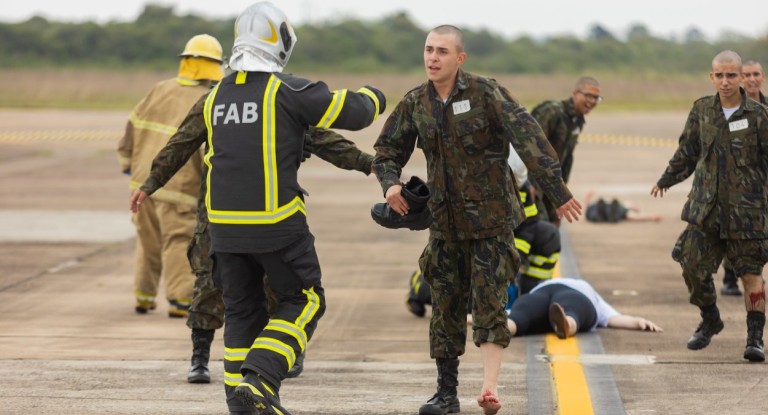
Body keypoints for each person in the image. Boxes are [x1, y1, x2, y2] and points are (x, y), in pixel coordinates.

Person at [131, 2, 386, 413]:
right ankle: (262, 377)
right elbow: (355, 113)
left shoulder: (215, 98)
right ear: (280, 43)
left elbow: (180, 143)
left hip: (223, 230)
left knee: (242, 313)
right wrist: (377, 96)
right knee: (305, 301)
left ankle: (242, 405)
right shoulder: (284, 92)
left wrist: (149, 184)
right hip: (276, 226)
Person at [373, 24, 581, 415]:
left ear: (460, 58)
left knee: (489, 307)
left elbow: (529, 138)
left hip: (491, 223)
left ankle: (488, 390)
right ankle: (446, 394)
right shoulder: (416, 102)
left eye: (442, 52)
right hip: (445, 225)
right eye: (428, 50)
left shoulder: (487, 93)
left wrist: (557, 189)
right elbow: (386, 150)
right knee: (446, 310)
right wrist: (390, 185)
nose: (433, 58)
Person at [137, 126, 375, 391]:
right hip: (219, 214)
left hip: (268, 213)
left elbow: (322, 138)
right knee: (209, 283)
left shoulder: (281, 98)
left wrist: (367, 163)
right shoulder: (216, 101)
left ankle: (280, 355)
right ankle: (201, 355)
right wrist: (151, 183)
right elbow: (182, 142)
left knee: (277, 286)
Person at [651, 50, 768, 362]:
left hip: (748, 213)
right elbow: (687, 151)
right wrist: (666, 179)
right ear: (712, 77)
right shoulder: (702, 110)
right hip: (706, 210)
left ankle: (755, 338)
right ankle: (710, 317)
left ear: (742, 77)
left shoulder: (758, 117)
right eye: (720, 75)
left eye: (732, 75)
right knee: (691, 265)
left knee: (750, 274)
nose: (726, 81)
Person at [117, 34, 224, 318]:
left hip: (142, 184)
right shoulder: (209, 98)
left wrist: (127, 162)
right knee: (178, 240)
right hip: (179, 186)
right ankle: (179, 299)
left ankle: (143, 295)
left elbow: (132, 128)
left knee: (147, 239)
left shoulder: (159, 89)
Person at [468, 277, 662, 338]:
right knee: (573, 312)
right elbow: (612, 319)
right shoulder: (591, 293)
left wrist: (467, 319)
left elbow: (498, 313)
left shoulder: (547, 284)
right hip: (576, 295)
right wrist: (638, 322)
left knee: (517, 316)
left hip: (540, 293)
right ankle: (567, 324)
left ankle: (503, 329)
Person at [721, 59, 767, 296]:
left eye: (756, 74)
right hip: (736, 182)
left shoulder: (766, 108)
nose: (751, 79)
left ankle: (755, 275)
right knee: (736, 231)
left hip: (762, 180)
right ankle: (730, 276)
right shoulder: (733, 107)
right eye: (746, 75)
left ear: (763, 77)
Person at [530, 76, 602, 227]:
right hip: (533, 183)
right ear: (575, 93)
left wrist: (561, 194)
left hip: (552, 185)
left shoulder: (577, 120)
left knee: (553, 225)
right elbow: (529, 148)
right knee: (535, 228)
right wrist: (530, 186)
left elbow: (567, 158)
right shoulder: (552, 111)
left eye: (596, 98)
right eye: (589, 96)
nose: (593, 101)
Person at [583, 190, 662, 223]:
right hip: (612, 208)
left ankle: (599, 216)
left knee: (591, 212)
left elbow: (635, 216)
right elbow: (635, 216)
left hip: (599, 207)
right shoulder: (625, 207)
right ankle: (610, 216)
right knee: (621, 212)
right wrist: (651, 216)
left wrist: (587, 197)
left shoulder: (625, 206)